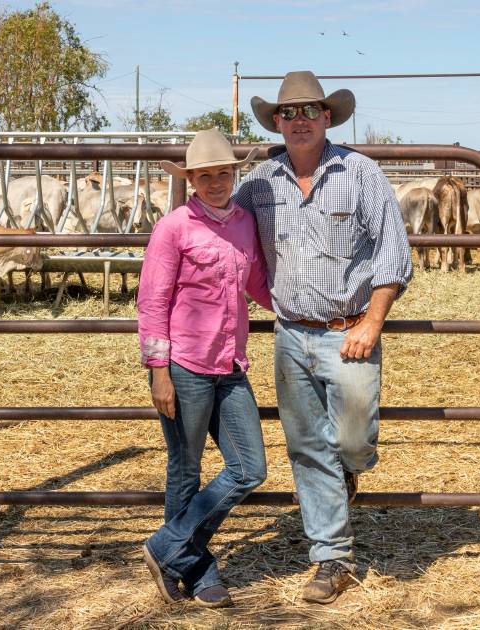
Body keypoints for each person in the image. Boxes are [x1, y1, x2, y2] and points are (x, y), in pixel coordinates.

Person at [232, 71, 413, 604]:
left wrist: (372, 321)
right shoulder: (259, 182)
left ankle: (347, 474)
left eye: (311, 111)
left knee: (354, 441)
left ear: (328, 117)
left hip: (348, 330)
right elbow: (227, 232)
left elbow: (394, 255)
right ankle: (330, 559)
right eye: (289, 113)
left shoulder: (361, 173)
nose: (300, 120)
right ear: (277, 122)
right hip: (291, 334)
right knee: (308, 448)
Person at [137, 128, 271, 608]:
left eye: (224, 173)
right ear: (191, 178)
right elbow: (152, 302)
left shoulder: (244, 223)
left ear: (234, 174)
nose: (216, 182)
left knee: (249, 468)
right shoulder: (174, 227)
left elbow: (256, 283)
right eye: (206, 175)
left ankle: (167, 546)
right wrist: (158, 369)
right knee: (185, 470)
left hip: (230, 365)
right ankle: (196, 570)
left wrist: (307, 309)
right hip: (186, 365)